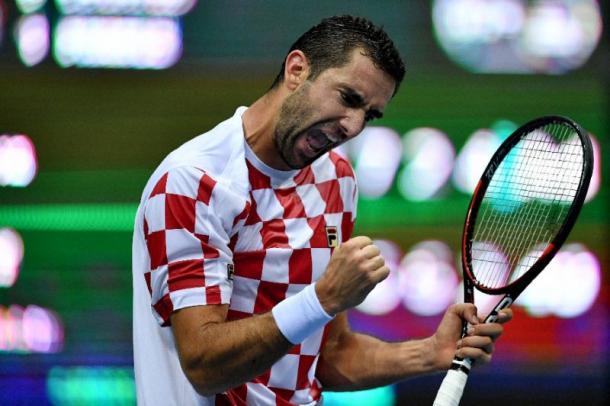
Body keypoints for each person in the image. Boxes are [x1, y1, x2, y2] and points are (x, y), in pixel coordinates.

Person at [132, 15, 512, 405]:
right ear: (297, 70)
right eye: (348, 98)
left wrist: (429, 353)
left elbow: (328, 356)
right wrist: (324, 298)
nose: (353, 126)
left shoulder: (336, 179)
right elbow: (204, 366)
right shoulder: (193, 181)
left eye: (370, 114)